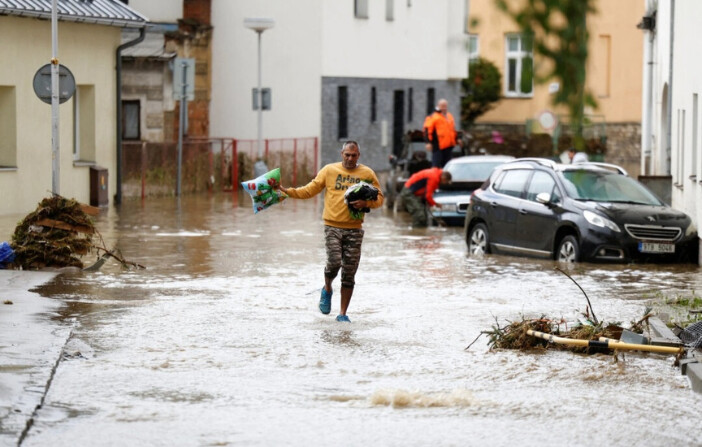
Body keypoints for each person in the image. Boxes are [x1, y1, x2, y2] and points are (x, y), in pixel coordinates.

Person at [277, 141, 384, 323]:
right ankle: (327, 288)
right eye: (347, 155)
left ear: (359, 155)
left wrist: (367, 203)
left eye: (354, 155)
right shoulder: (329, 170)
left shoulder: (367, 173)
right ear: (341, 154)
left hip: (355, 229)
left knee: (349, 272)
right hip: (332, 226)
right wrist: (287, 192)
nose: (350, 158)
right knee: (334, 262)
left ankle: (342, 314)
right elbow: (310, 189)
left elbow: (380, 198)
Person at [423, 98, 458, 168]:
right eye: (442, 106)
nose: (444, 108)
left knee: (448, 166)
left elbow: (452, 130)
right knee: (436, 166)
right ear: (438, 106)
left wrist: (457, 139)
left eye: (445, 106)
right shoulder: (433, 116)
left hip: (449, 146)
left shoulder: (449, 116)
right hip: (438, 146)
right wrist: (428, 142)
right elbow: (427, 129)